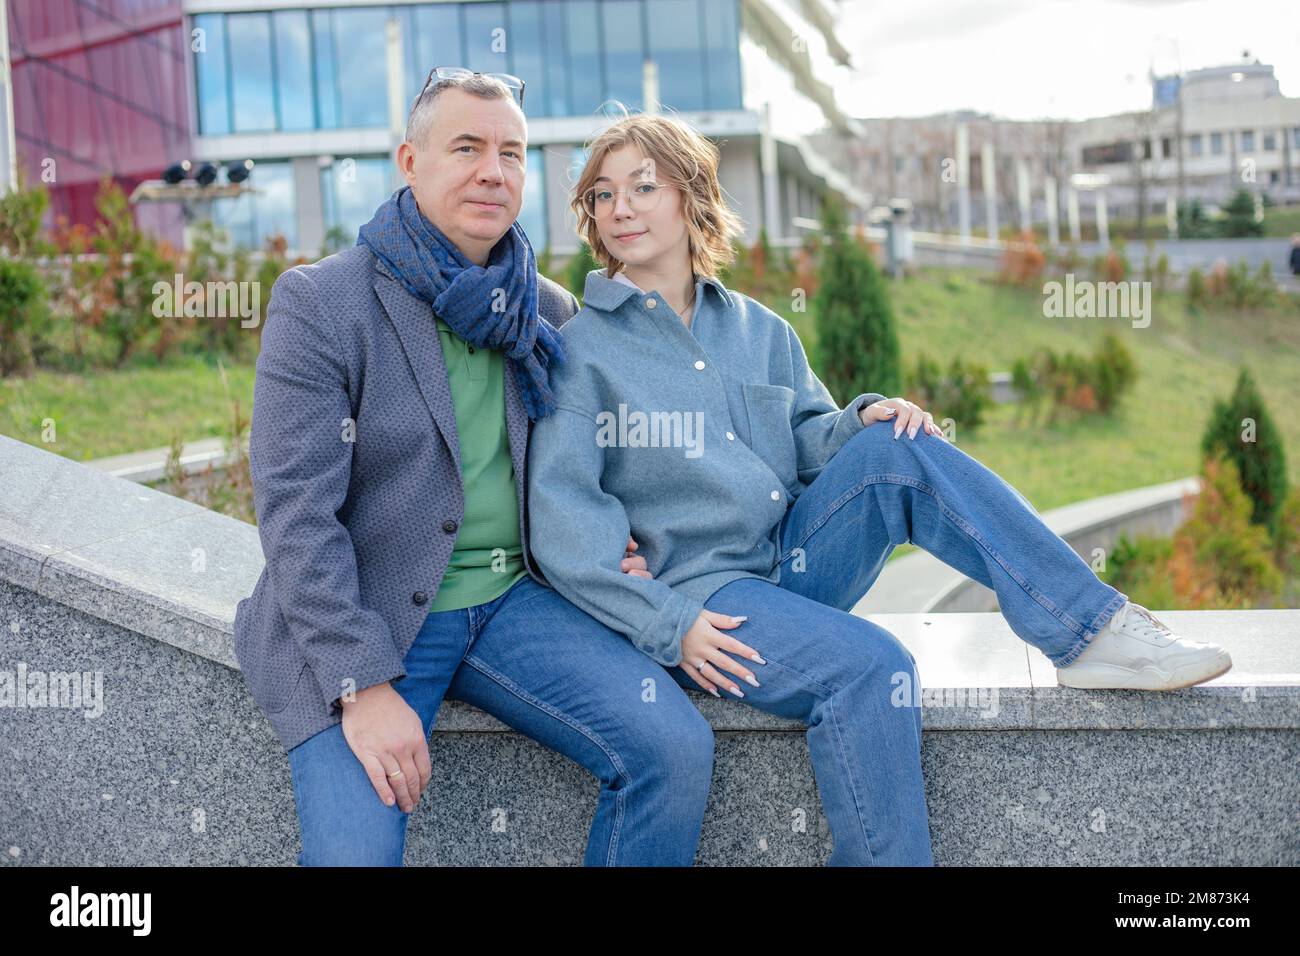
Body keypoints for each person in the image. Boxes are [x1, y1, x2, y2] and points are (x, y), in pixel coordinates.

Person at [525, 111, 1233, 866]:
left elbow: (807, 443)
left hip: (792, 562)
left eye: (642, 186)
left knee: (898, 445)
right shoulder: (581, 353)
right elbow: (566, 528)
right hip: (709, 609)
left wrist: (865, 418)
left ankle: (1090, 630)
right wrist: (669, 623)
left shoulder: (761, 330)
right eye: (602, 195)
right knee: (875, 670)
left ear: (690, 195)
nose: (621, 208)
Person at [233, 71, 720, 866]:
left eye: (512, 152)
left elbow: (599, 468)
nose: (494, 169)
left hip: (513, 602)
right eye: (467, 147)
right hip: (370, 613)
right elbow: (294, 515)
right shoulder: (323, 302)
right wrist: (360, 683)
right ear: (409, 161)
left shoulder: (549, 313)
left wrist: (623, 540)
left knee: (672, 747)